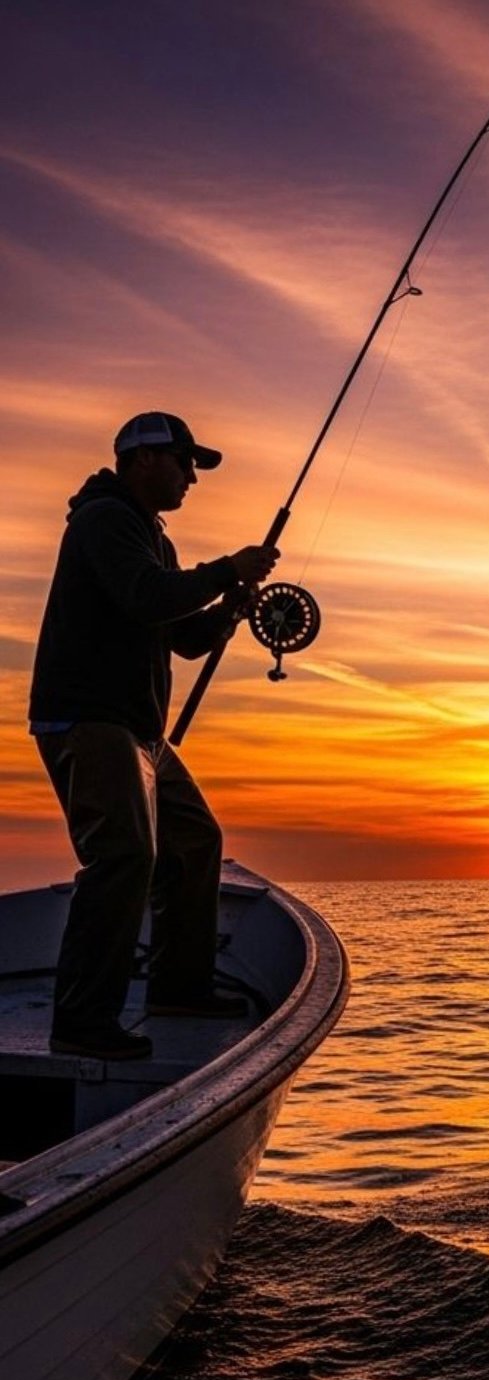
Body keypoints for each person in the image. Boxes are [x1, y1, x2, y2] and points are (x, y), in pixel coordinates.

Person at [29, 411, 279, 1060]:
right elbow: (147, 596)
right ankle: (81, 1022)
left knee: (194, 839)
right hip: (91, 720)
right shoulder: (103, 520)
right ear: (142, 459)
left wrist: (226, 611)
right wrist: (225, 570)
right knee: (123, 857)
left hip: (139, 731)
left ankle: (179, 988)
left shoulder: (150, 539)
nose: (191, 477)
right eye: (184, 462)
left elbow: (180, 636)